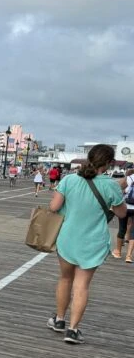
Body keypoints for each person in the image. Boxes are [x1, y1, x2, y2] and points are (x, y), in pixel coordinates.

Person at [47, 144, 126, 345]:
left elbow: (54, 207)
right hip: (93, 241)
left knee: (65, 279)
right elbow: (121, 213)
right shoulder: (111, 185)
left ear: (88, 157)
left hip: (68, 238)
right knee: (81, 285)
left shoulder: (69, 180)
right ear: (109, 163)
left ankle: (59, 320)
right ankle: (73, 330)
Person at [112, 166, 134, 262]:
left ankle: (118, 252)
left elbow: (120, 191)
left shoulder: (128, 178)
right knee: (133, 231)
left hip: (125, 207)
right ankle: (129, 256)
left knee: (122, 228)